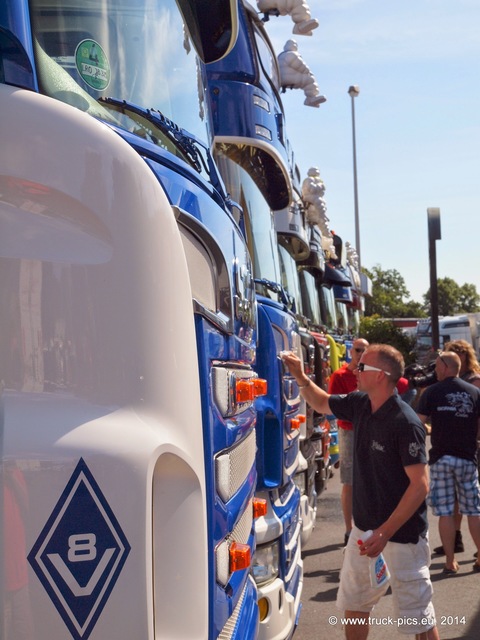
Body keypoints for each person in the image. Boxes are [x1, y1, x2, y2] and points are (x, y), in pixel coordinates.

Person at [282, 344, 439, 640]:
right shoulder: (359, 402)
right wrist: (301, 377)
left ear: (381, 376)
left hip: (402, 537)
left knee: (418, 620)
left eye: (362, 366)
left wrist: (385, 532)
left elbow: (420, 485)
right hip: (364, 533)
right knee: (354, 606)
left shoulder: (405, 422)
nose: (354, 369)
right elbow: (321, 402)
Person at [416, 351, 480, 575]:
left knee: (445, 512)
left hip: (441, 458)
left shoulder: (432, 392)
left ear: (444, 367)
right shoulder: (474, 392)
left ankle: (450, 561)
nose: (434, 370)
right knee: (473, 509)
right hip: (467, 458)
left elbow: (418, 423)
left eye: (437, 366)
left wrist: (430, 430)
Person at [431, 340, 480, 556]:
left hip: (462, 451)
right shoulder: (470, 386)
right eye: (454, 352)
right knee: (464, 506)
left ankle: (457, 556)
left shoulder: (475, 382)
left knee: (453, 508)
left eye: (460, 352)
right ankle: (455, 545)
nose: (458, 355)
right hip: (465, 453)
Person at [328, 338, 369, 546]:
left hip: (370, 430)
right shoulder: (340, 375)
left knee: (370, 478)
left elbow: (402, 384)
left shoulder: (371, 373)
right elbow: (332, 404)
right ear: (351, 351)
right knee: (349, 481)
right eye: (358, 350)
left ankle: (367, 525)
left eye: (365, 350)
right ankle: (348, 528)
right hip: (349, 431)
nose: (361, 353)